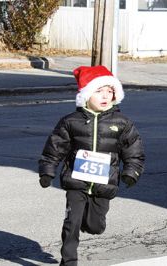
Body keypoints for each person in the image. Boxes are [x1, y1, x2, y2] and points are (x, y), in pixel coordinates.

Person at [38, 65, 145, 266]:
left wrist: (132, 172)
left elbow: (134, 150)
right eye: (99, 91)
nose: (105, 96)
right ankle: (68, 261)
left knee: (95, 226)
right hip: (76, 181)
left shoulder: (122, 123)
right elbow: (54, 147)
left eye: (110, 91)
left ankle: (92, 221)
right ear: (86, 95)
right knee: (72, 222)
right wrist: (47, 171)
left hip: (104, 183)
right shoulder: (70, 122)